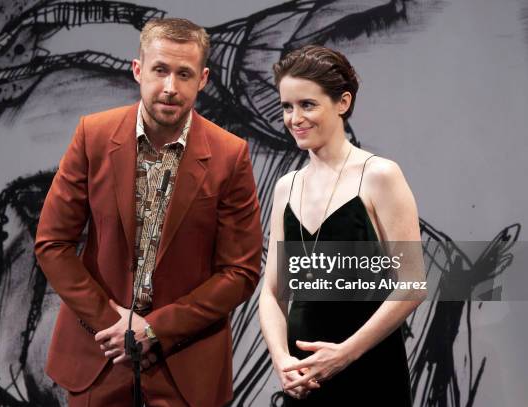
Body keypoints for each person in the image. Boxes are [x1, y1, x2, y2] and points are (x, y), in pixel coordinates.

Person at [35, 18, 262, 407]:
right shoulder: (94, 135)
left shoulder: (230, 155)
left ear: (203, 79)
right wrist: (113, 322)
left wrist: (156, 328)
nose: (170, 87)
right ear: (138, 69)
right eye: (160, 70)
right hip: (100, 356)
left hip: (184, 366)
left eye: (184, 74)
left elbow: (240, 271)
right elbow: (52, 243)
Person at [258, 45, 425, 405]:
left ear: (343, 103)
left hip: (370, 374)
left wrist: (345, 354)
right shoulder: (286, 187)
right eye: (287, 107)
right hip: (304, 381)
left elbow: (412, 285)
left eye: (307, 104)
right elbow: (272, 293)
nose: (294, 118)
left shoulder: (380, 175)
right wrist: (283, 361)